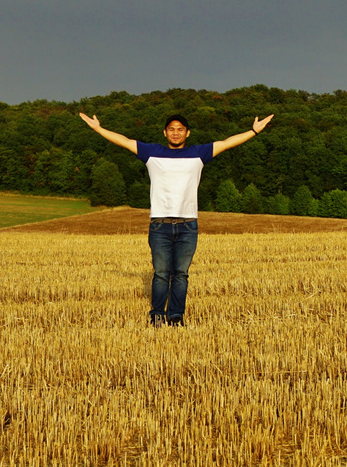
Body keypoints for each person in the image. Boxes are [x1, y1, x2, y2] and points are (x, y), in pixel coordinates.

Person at [78, 110, 273, 326]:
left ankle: (176, 316)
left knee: (181, 274)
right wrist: (98, 129)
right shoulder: (151, 152)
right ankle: (157, 315)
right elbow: (124, 141)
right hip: (159, 224)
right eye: (171, 129)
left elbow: (227, 143)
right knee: (161, 273)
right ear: (165, 132)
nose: (176, 132)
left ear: (187, 133)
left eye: (180, 129)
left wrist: (253, 131)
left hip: (188, 225)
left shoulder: (199, 153)